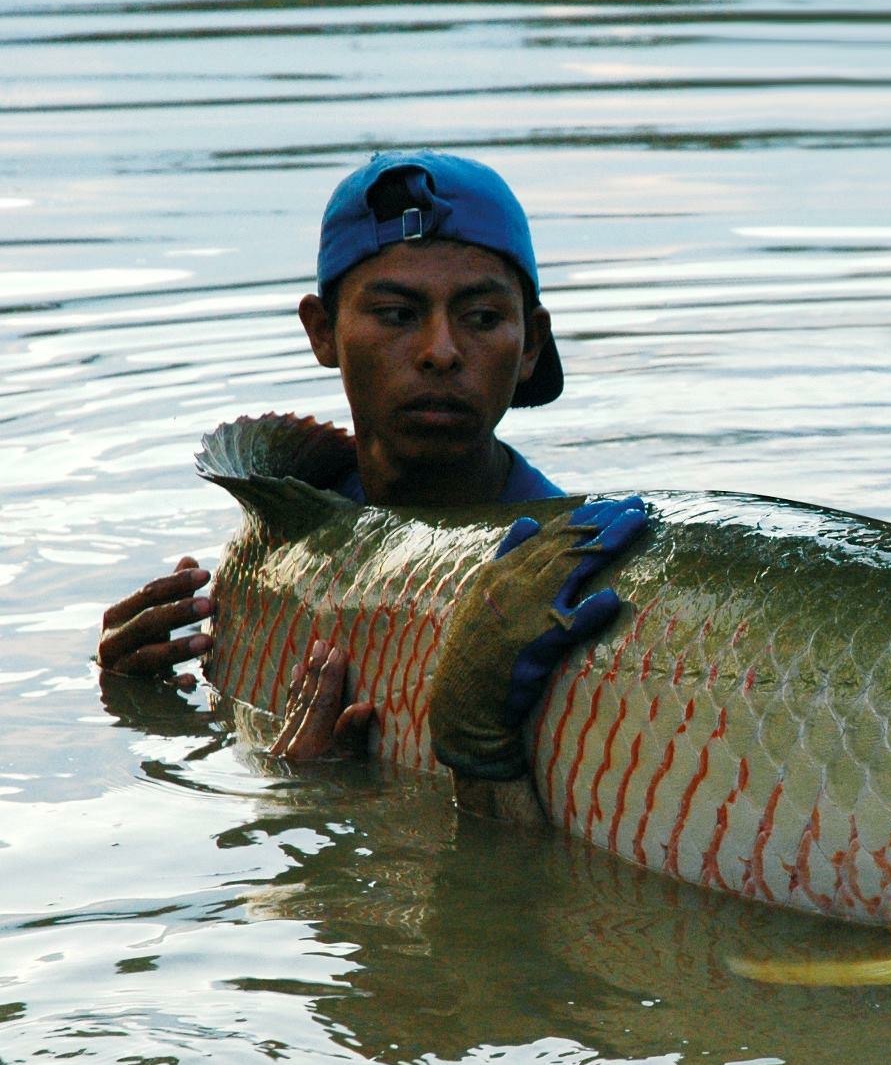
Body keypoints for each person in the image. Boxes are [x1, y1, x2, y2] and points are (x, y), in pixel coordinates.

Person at [94, 149, 573, 761]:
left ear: (530, 342)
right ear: (322, 330)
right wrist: (126, 681)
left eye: (481, 316)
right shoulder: (273, 551)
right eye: (397, 314)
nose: (441, 351)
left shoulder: (568, 572)